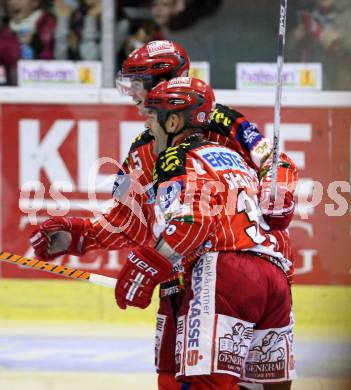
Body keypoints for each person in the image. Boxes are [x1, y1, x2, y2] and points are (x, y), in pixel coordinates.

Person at [30, 41, 298, 389]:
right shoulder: (146, 145)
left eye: (137, 84)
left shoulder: (224, 121)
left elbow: (276, 163)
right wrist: (80, 234)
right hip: (190, 272)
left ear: (165, 83)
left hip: (226, 268)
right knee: (177, 376)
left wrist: (280, 192)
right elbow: (131, 219)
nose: (131, 95)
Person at [112, 76, 296, 388]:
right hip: (275, 279)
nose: (147, 128)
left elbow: (190, 224)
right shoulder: (235, 157)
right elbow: (276, 182)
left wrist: (145, 264)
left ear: (172, 121)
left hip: (225, 274)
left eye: (150, 118)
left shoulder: (174, 157)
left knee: (206, 385)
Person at [0, 0, 56, 85]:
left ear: (35, 2)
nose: (14, 2)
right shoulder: (4, 34)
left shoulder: (52, 26)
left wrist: (35, 45)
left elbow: (60, 62)